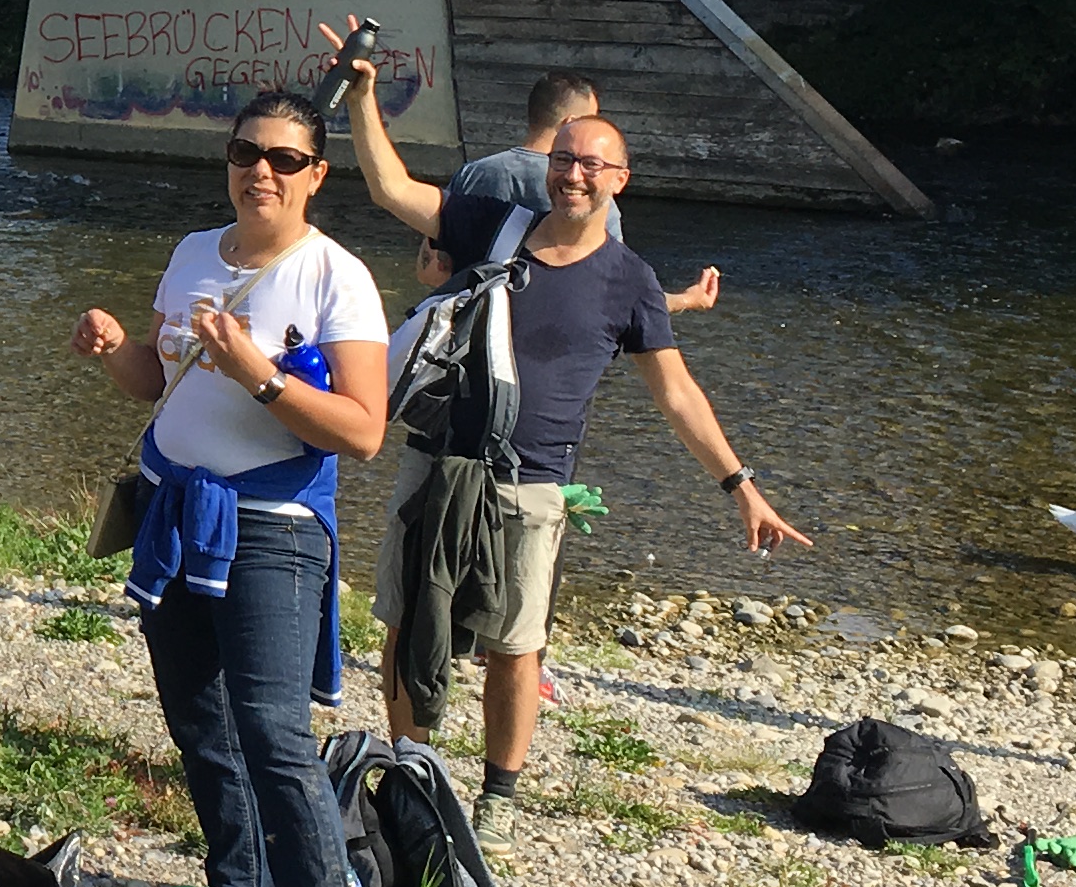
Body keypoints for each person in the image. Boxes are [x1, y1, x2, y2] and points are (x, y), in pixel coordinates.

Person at [326, 63, 808, 822]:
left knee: (516, 646)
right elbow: (391, 188)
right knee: (408, 619)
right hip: (438, 458)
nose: (573, 176)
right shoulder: (492, 223)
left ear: (620, 179)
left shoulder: (630, 280)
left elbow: (676, 394)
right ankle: (411, 776)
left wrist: (740, 487)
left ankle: (499, 799)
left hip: (534, 482)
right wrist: (362, 98)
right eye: (563, 161)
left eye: (590, 165)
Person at [66, 87, 386, 887]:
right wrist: (118, 345)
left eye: (286, 160)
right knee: (198, 718)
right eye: (249, 153)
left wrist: (260, 373)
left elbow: (362, 432)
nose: (263, 172)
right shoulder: (192, 255)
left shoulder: (337, 277)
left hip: (275, 528)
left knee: (275, 732)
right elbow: (154, 386)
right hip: (176, 510)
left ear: (316, 175)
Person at [352, 47, 718, 316]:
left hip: (464, 353)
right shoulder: (590, 196)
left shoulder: (476, 172)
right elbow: (613, 296)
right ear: (570, 123)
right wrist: (688, 299)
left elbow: (431, 271)